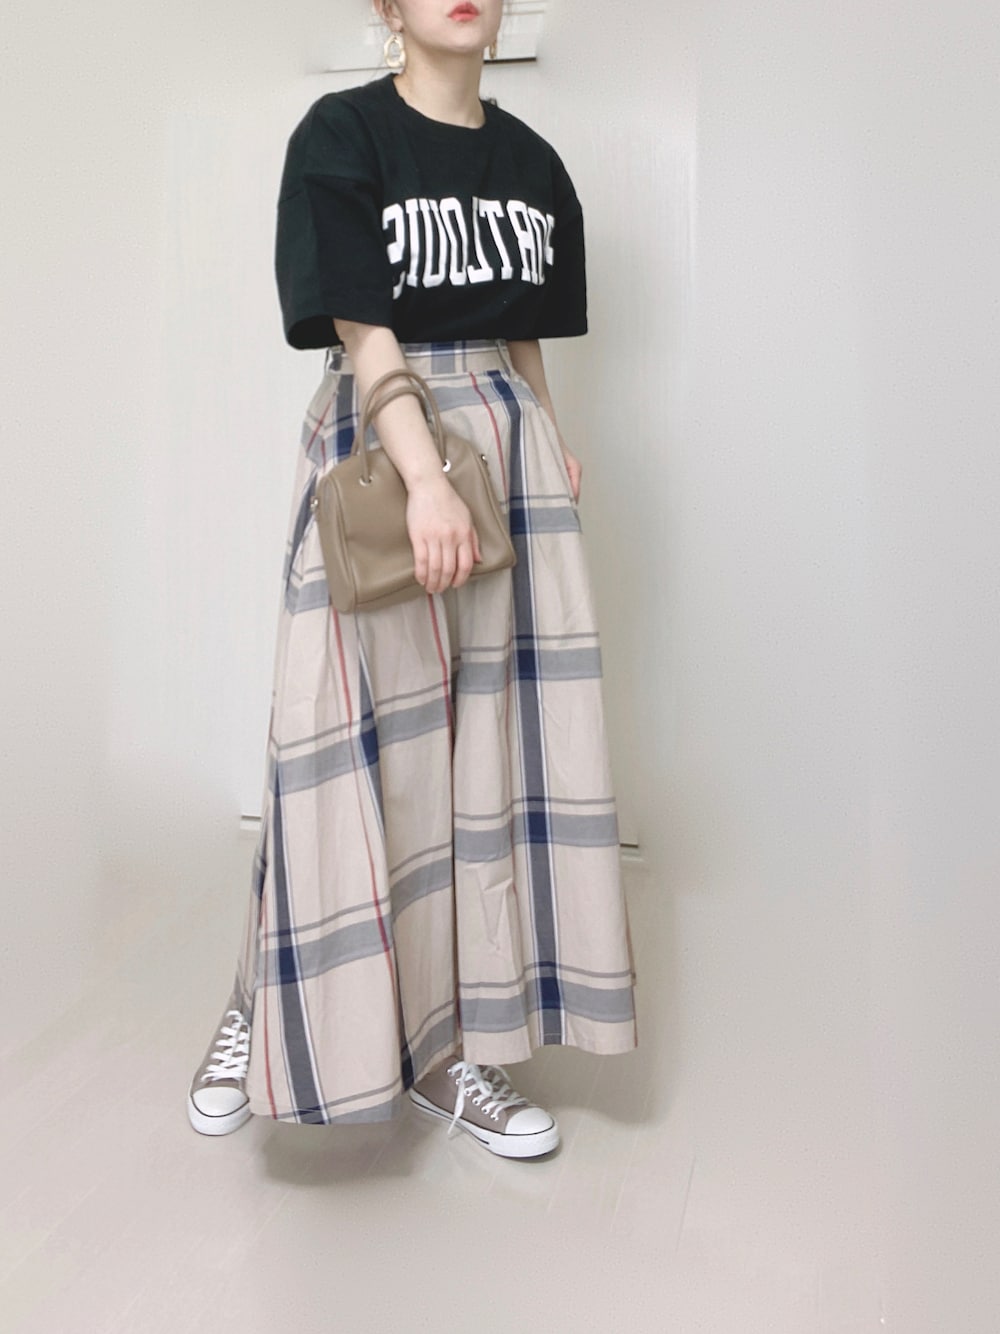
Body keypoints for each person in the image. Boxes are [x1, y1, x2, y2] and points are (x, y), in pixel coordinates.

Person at [186, 0, 637, 1160]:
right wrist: (426, 475)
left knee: (484, 757)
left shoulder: (533, 162)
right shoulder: (342, 135)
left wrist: (551, 434)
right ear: (386, 7)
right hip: (390, 449)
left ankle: (451, 1049)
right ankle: (263, 1006)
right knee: (340, 744)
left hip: (507, 452)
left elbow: (526, 327)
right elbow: (362, 327)